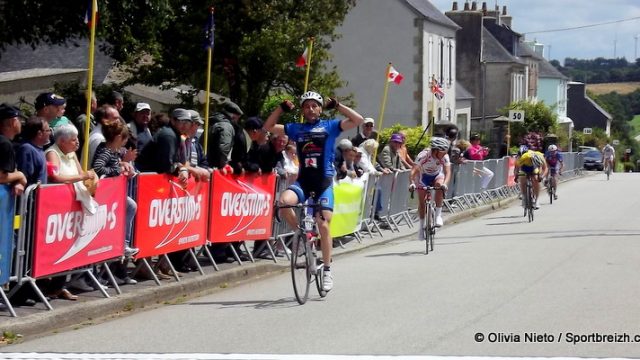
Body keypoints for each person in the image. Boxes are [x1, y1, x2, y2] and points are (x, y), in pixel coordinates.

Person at [264, 91, 365, 291]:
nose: (310, 109)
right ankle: (300, 233)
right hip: (303, 181)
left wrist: (338, 106)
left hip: (323, 182)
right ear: (302, 110)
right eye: (306, 106)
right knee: (284, 202)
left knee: (324, 224)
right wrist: (280, 109)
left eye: (314, 106)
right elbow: (267, 127)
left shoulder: (330, 126)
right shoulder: (296, 128)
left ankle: (327, 269)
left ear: (319, 108)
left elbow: (358, 120)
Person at [45, 124, 99, 299]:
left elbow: (80, 173)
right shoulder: (53, 153)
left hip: (74, 205)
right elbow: (56, 177)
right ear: (61, 141)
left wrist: (91, 178)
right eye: (73, 139)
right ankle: (51, 286)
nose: (77, 143)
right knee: (57, 248)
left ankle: (61, 285)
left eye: (77, 139)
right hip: (57, 208)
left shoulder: (71, 153)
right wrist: (82, 177)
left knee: (71, 245)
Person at [409, 137, 452, 235]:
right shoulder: (423, 156)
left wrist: (445, 184)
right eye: (443, 151)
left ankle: (438, 216)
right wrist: (411, 183)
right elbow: (413, 172)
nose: (445, 153)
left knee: (439, 185)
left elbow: (448, 172)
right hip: (423, 177)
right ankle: (421, 227)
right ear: (436, 150)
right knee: (422, 202)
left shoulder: (445, 157)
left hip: (437, 175)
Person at [204, 100, 243, 171]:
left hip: (205, 164)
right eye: (237, 118)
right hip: (214, 168)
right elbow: (224, 147)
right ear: (233, 116)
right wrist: (223, 165)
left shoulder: (212, 122)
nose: (237, 121)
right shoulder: (226, 126)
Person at [15, 116, 50, 186]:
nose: (50, 133)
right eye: (48, 130)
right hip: (30, 195)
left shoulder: (39, 148)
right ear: (40, 134)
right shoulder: (27, 149)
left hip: (41, 194)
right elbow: (24, 176)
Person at [0, 104, 27, 196]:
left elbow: (8, 170)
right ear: (13, 122)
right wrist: (20, 175)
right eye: (20, 120)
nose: (22, 123)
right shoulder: (4, 144)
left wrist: (16, 180)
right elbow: (1, 176)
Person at [514, 145, 548, 210]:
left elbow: (544, 168)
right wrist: (516, 176)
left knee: (536, 179)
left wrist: (541, 176)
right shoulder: (519, 157)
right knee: (522, 178)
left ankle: (537, 200)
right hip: (524, 168)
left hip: (534, 167)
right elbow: (516, 169)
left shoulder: (537, 155)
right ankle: (524, 196)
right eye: (520, 155)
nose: (522, 157)